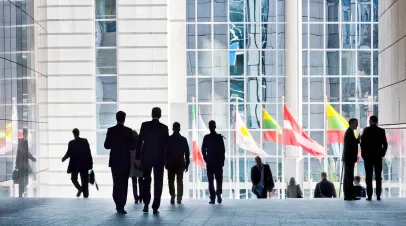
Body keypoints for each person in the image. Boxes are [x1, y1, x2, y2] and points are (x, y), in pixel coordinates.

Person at [135, 107, 169, 214]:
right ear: (160, 115)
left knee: (146, 180)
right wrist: (166, 160)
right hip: (159, 158)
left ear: (151, 114)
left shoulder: (144, 125)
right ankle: (155, 206)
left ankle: (146, 204)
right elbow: (166, 146)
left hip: (147, 157)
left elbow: (139, 142)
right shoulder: (164, 128)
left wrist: (137, 157)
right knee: (158, 182)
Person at [104, 111, 134, 215]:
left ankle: (117, 204)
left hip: (115, 161)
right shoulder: (129, 131)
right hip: (125, 160)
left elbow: (106, 145)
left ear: (116, 118)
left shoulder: (111, 130)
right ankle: (122, 205)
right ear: (124, 119)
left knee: (116, 182)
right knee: (124, 183)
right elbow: (132, 146)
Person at [360, 115, 388, 201]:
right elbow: (385, 144)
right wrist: (382, 153)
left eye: (369, 121)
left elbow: (362, 144)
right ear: (376, 121)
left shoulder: (366, 130)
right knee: (378, 176)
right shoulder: (381, 131)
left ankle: (369, 195)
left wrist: (363, 155)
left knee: (369, 176)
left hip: (368, 157)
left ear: (371, 121)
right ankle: (378, 195)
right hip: (378, 157)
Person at [62, 128, 93, 198]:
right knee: (84, 181)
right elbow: (89, 153)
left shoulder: (71, 143)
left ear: (73, 134)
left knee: (73, 179)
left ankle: (80, 188)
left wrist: (63, 158)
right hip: (84, 164)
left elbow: (68, 153)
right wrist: (91, 164)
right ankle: (86, 197)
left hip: (75, 165)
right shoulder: (85, 141)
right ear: (79, 133)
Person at [166, 122, 190, 205]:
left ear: (173, 128)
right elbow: (187, 153)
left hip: (170, 163)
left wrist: (166, 162)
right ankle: (179, 198)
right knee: (180, 181)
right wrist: (187, 164)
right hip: (180, 163)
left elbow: (165, 152)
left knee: (171, 180)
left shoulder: (168, 139)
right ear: (179, 129)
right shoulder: (183, 139)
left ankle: (172, 196)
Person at [202, 120, 225, 204]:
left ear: (209, 127)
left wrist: (206, 158)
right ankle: (218, 192)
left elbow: (203, 149)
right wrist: (222, 161)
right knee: (219, 180)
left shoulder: (206, 137)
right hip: (218, 162)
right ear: (215, 127)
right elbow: (223, 151)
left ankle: (212, 198)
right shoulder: (219, 137)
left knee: (210, 181)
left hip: (210, 162)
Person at [342, 118, 361, 201]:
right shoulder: (349, 132)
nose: (357, 125)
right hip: (349, 158)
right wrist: (358, 140)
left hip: (348, 158)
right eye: (356, 123)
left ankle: (349, 195)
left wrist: (357, 140)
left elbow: (352, 143)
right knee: (349, 177)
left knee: (348, 177)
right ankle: (349, 195)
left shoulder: (349, 132)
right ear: (352, 123)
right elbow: (352, 145)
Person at [15, 128, 36, 197]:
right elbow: (25, 152)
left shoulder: (22, 141)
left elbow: (21, 153)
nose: (27, 135)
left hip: (22, 165)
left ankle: (22, 194)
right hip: (23, 165)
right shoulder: (22, 141)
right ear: (25, 133)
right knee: (23, 181)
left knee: (24, 180)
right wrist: (33, 158)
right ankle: (21, 194)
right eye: (26, 133)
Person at [130, 130, 143, 204]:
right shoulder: (140, 143)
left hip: (132, 165)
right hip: (139, 164)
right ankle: (141, 197)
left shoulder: (129, 144)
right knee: (140, 182)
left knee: (134, 182)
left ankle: (136, 198)